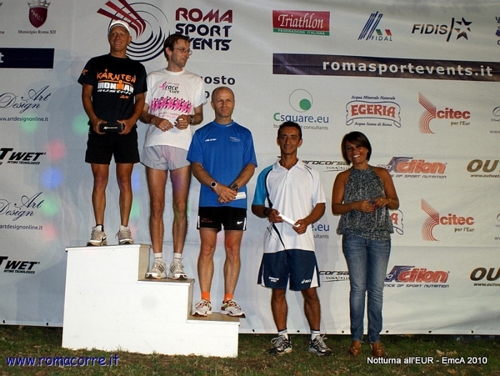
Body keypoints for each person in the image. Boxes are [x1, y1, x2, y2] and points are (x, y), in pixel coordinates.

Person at [252, 121, 332, 356]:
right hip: (275, 242)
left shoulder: (311, 173)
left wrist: (306, 221)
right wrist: (268, 212)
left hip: (302, 242)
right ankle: (282, 338)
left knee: (310, 292)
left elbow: (320, 205)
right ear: (278, 140)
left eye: (293, 137)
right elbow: (257, 206)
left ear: (300, 141)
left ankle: (316, 338)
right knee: (277, 291)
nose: (288, 141)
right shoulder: (267, 174)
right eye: (284, 137)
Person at [140, 34, 206, 280]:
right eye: (181, 50)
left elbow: (198, 116)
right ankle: (158, 261)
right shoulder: (154, 78)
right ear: (168, 51)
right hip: (155, 144)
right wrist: (155, 119)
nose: (186, 54)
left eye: (188, 51)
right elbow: (142, 113)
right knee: (156, 205)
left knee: (180, 206)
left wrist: (189, 119)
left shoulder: (195, 80)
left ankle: (177, 261)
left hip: (182, 147)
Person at [187, 86, 257, 317]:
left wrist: (233, 189)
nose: (224, 104)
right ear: (213, 104)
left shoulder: (244, 134)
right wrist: (218, 187)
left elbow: (249, 166)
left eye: (228, 100)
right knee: (206, 249)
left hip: (235, 202)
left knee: (232, 249)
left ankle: (229, 300)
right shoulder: (202, 134)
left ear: (234, 103)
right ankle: (205, 300)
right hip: (210, 199)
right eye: (220, 100)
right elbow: (196, 167)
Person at [78, 20, 147, 246]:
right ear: (109, 38)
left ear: (129, 39)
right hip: (99, 131)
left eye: (122, 34)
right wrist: (94, 119)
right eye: (114, 33)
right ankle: (98, 229)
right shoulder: (95, 63)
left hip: (126, 132)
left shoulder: (137, 68)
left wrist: (131, 121)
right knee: (99, 180)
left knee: (124, 180)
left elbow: (140, 101)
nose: (118, 37)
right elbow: (86, 95)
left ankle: (124, 229)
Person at [331, 131, 399, 358]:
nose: (354, 152)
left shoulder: (381, 173)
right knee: (358, 289)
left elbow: (395, 202)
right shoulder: (343, 176)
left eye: (358, 147)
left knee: (376, 290)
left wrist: (385, 201)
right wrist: (356, 205)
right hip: (354, 237)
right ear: (346, 153)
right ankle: (356, 338)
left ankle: (376, 339)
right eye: (349, 149)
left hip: (380, 236)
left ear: (367, 149)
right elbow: (335, 207)